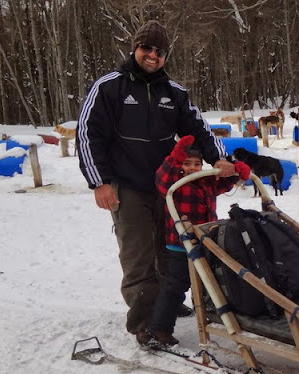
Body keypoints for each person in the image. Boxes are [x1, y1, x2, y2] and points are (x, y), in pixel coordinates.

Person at [77, 20, 236, 344]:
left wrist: (221, 159)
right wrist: (99, 183)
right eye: (146, 48)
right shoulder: (110, 87)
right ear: (135, 48)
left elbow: (200, 128)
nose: (152, 55)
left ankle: (166, 305)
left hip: (168, 188)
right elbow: (87, 134)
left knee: (169, 252)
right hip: (127, 185)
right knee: (138, 255)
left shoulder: (173, 93)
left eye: (159, 51)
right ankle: (145, 323)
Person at [140, 135, 250, 346]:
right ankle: (159, 329)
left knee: (213, 281)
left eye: (197, 164)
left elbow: (225, 183)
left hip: (205, 242)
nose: (192, 168)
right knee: (175, 286)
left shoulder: (206, 182)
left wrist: (237, 171)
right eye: (186, 163)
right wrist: (175, 157)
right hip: (180, 244)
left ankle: (222, 316)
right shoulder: (175, 183)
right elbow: (162, 179)